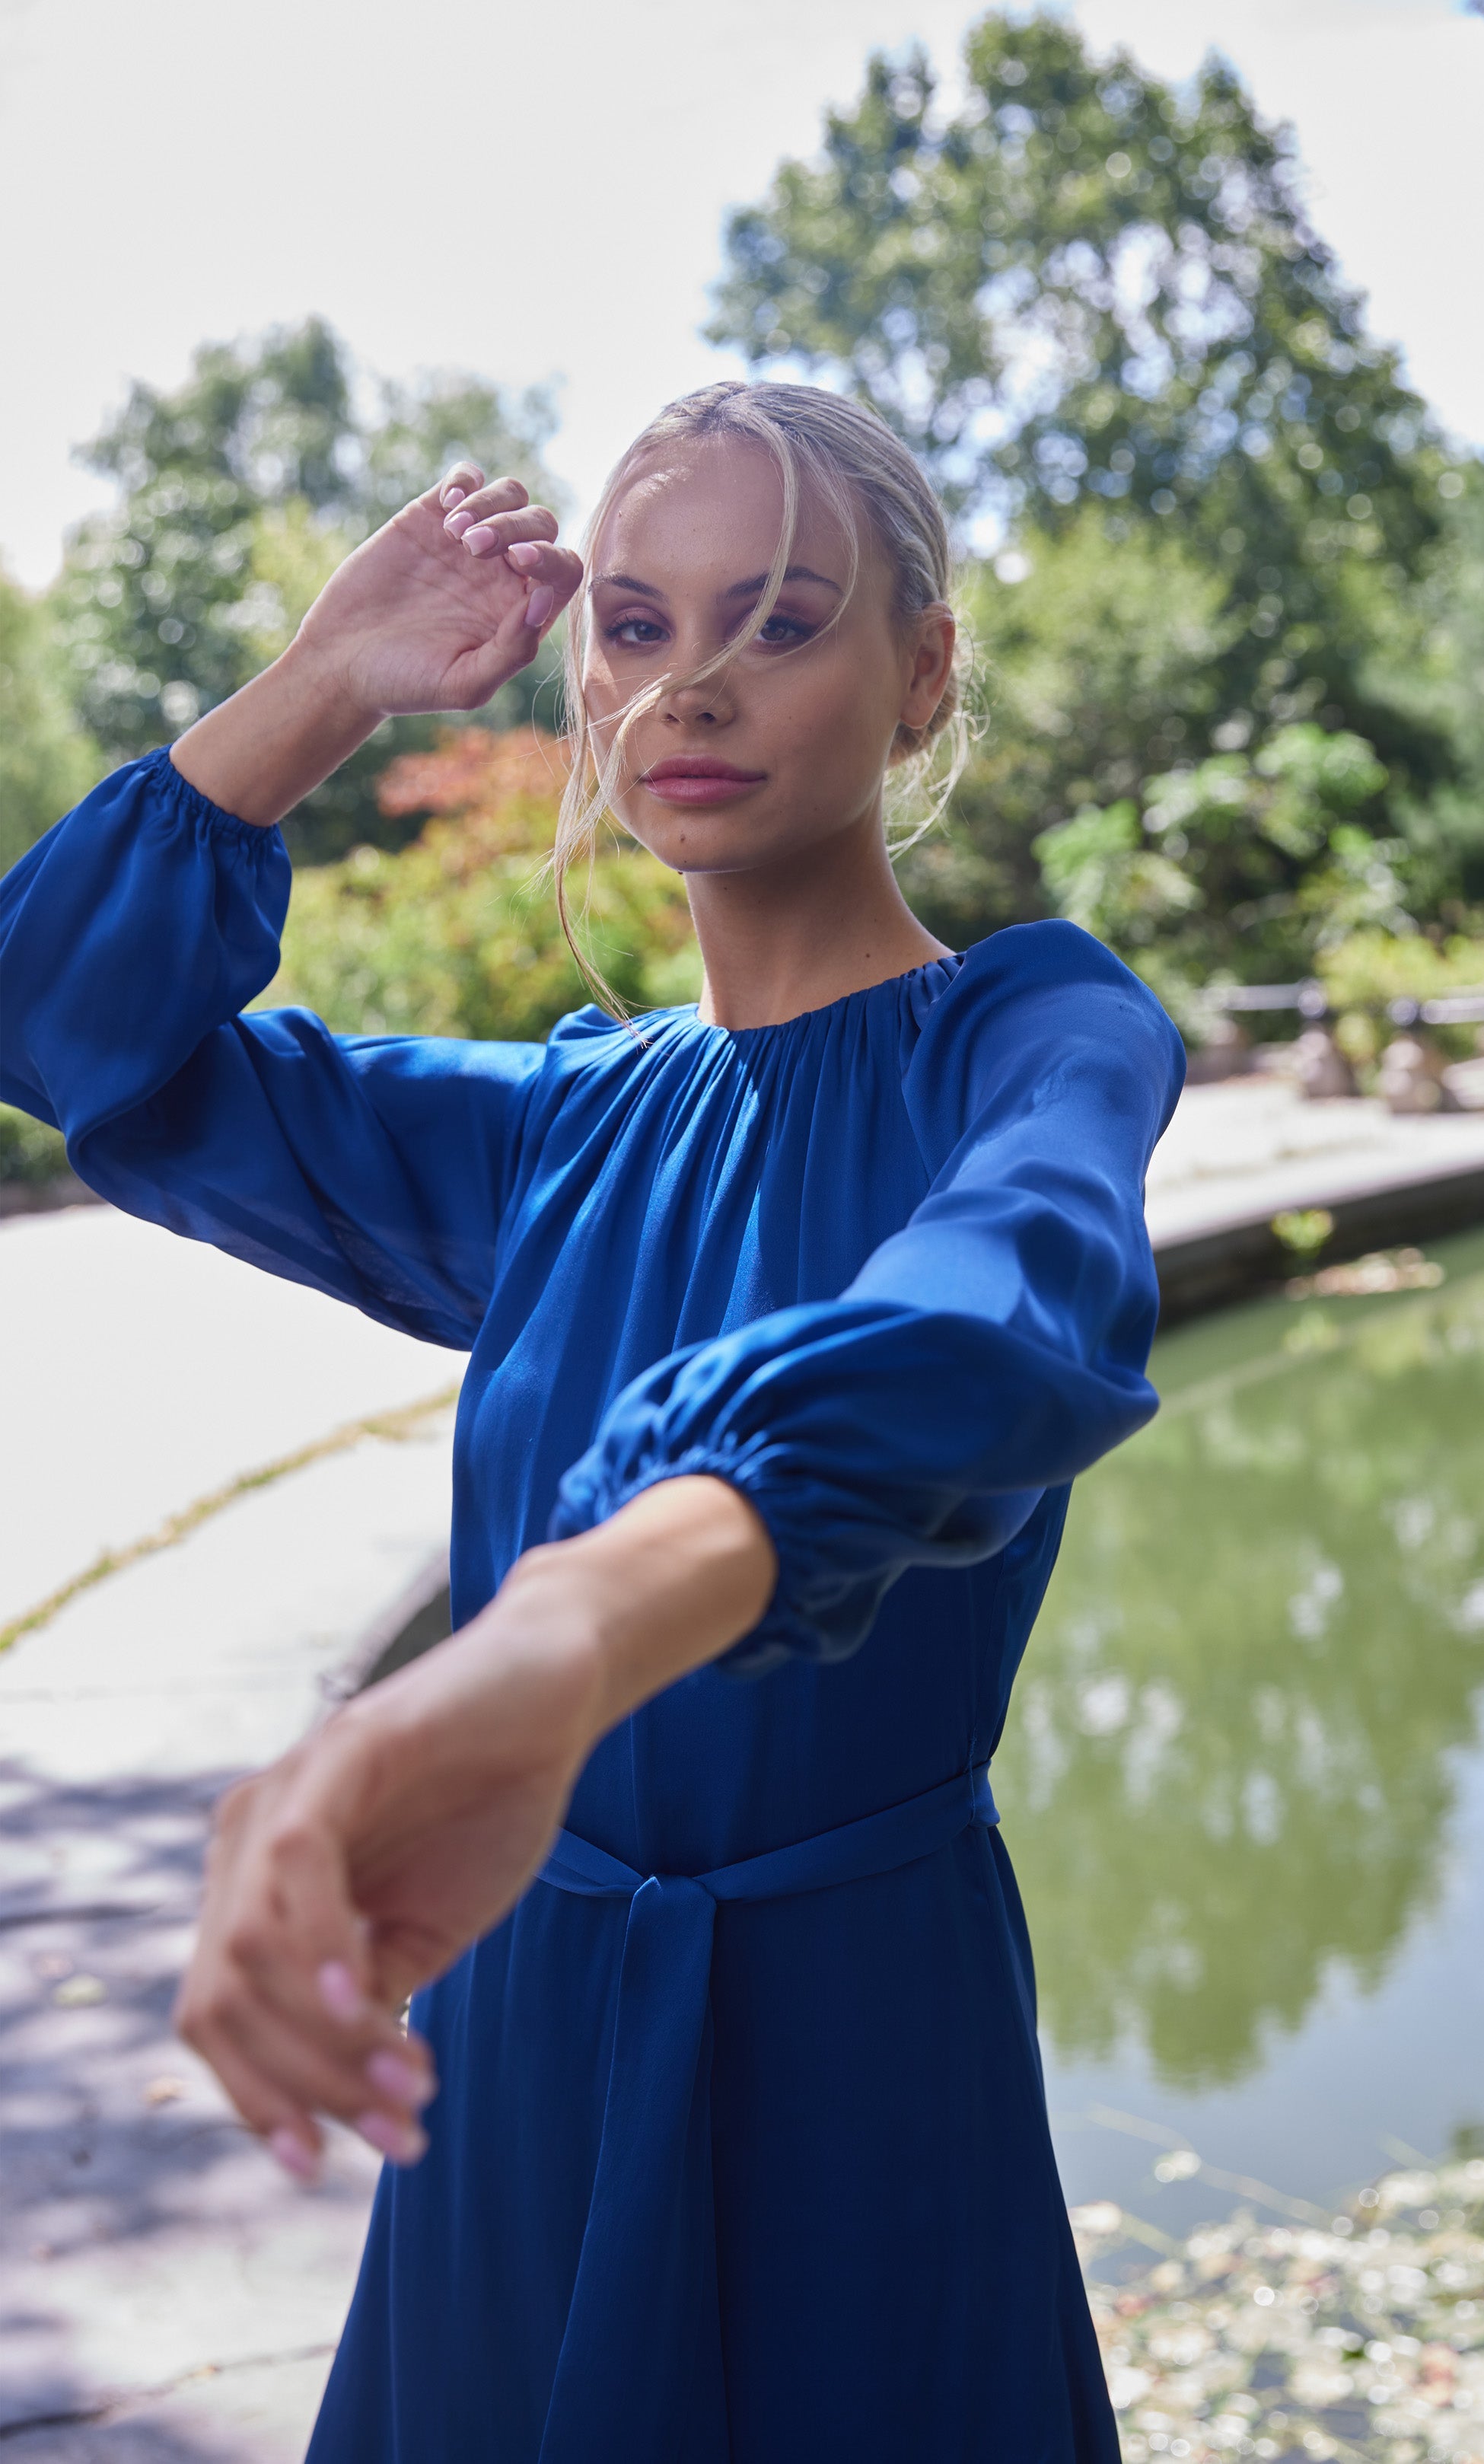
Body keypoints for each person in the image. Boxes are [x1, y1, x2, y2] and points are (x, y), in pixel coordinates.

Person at [0, 381, 1184, 2462]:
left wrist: (547, 1650)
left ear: (921, 677)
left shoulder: (1032, 1032)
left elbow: (998, 1316)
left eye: (782, 619)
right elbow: (76, 1037)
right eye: (633, 627)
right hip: (513, 2043)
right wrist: (320, 684)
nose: (690, 685)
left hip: (851, 2048)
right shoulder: (562, 1127)